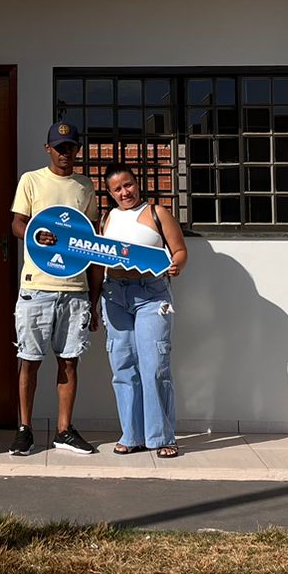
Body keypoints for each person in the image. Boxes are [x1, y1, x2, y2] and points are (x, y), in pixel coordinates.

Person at [8, 121, 103, 456]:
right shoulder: (31, 180)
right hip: (37, 286)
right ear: (47, 148)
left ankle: (64, 430)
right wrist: (35, 232)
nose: (66, 153)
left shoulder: (85, 185)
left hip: (75, 288)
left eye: (71, 147)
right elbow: (17, 223)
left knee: (69, 361)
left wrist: (95, 300)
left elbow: (92, 240)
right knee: (29, 360)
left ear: (78, 150)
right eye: (60, 147)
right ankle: (24, 429)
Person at [99, 163, 187, 458]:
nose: (125, 192)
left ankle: (162, 437)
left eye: (128, 185)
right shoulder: (106, 219)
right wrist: (93, 302)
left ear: (137, 183)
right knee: (123, 368)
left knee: (154, 367)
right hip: (113, 294)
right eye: (117, 189)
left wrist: (177, 264)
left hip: (152, 295)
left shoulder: (157, 213)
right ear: (110, 194)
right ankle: (132, 435)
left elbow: (180, 250)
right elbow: (98, 261)